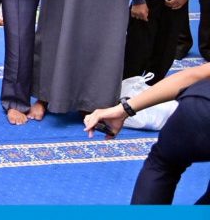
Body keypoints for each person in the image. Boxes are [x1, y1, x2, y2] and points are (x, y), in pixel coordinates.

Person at [84, 62, 210, 204]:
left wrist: (123, 109)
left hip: (199, 106)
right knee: (163, 165)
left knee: (161, 167)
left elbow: (195, 75)